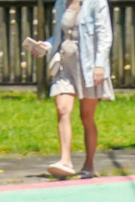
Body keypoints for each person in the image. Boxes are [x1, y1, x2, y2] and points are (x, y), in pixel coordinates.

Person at [30, 0, 113, 179]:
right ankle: (65, 160)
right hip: (65, 64)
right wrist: (46, 45)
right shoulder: (60, 3)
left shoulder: (97, 3)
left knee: (87, 117)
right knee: (62, 109)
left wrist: (100, 65)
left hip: (89, 64)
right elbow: (60, 35)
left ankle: (89, 164)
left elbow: (104, 35)